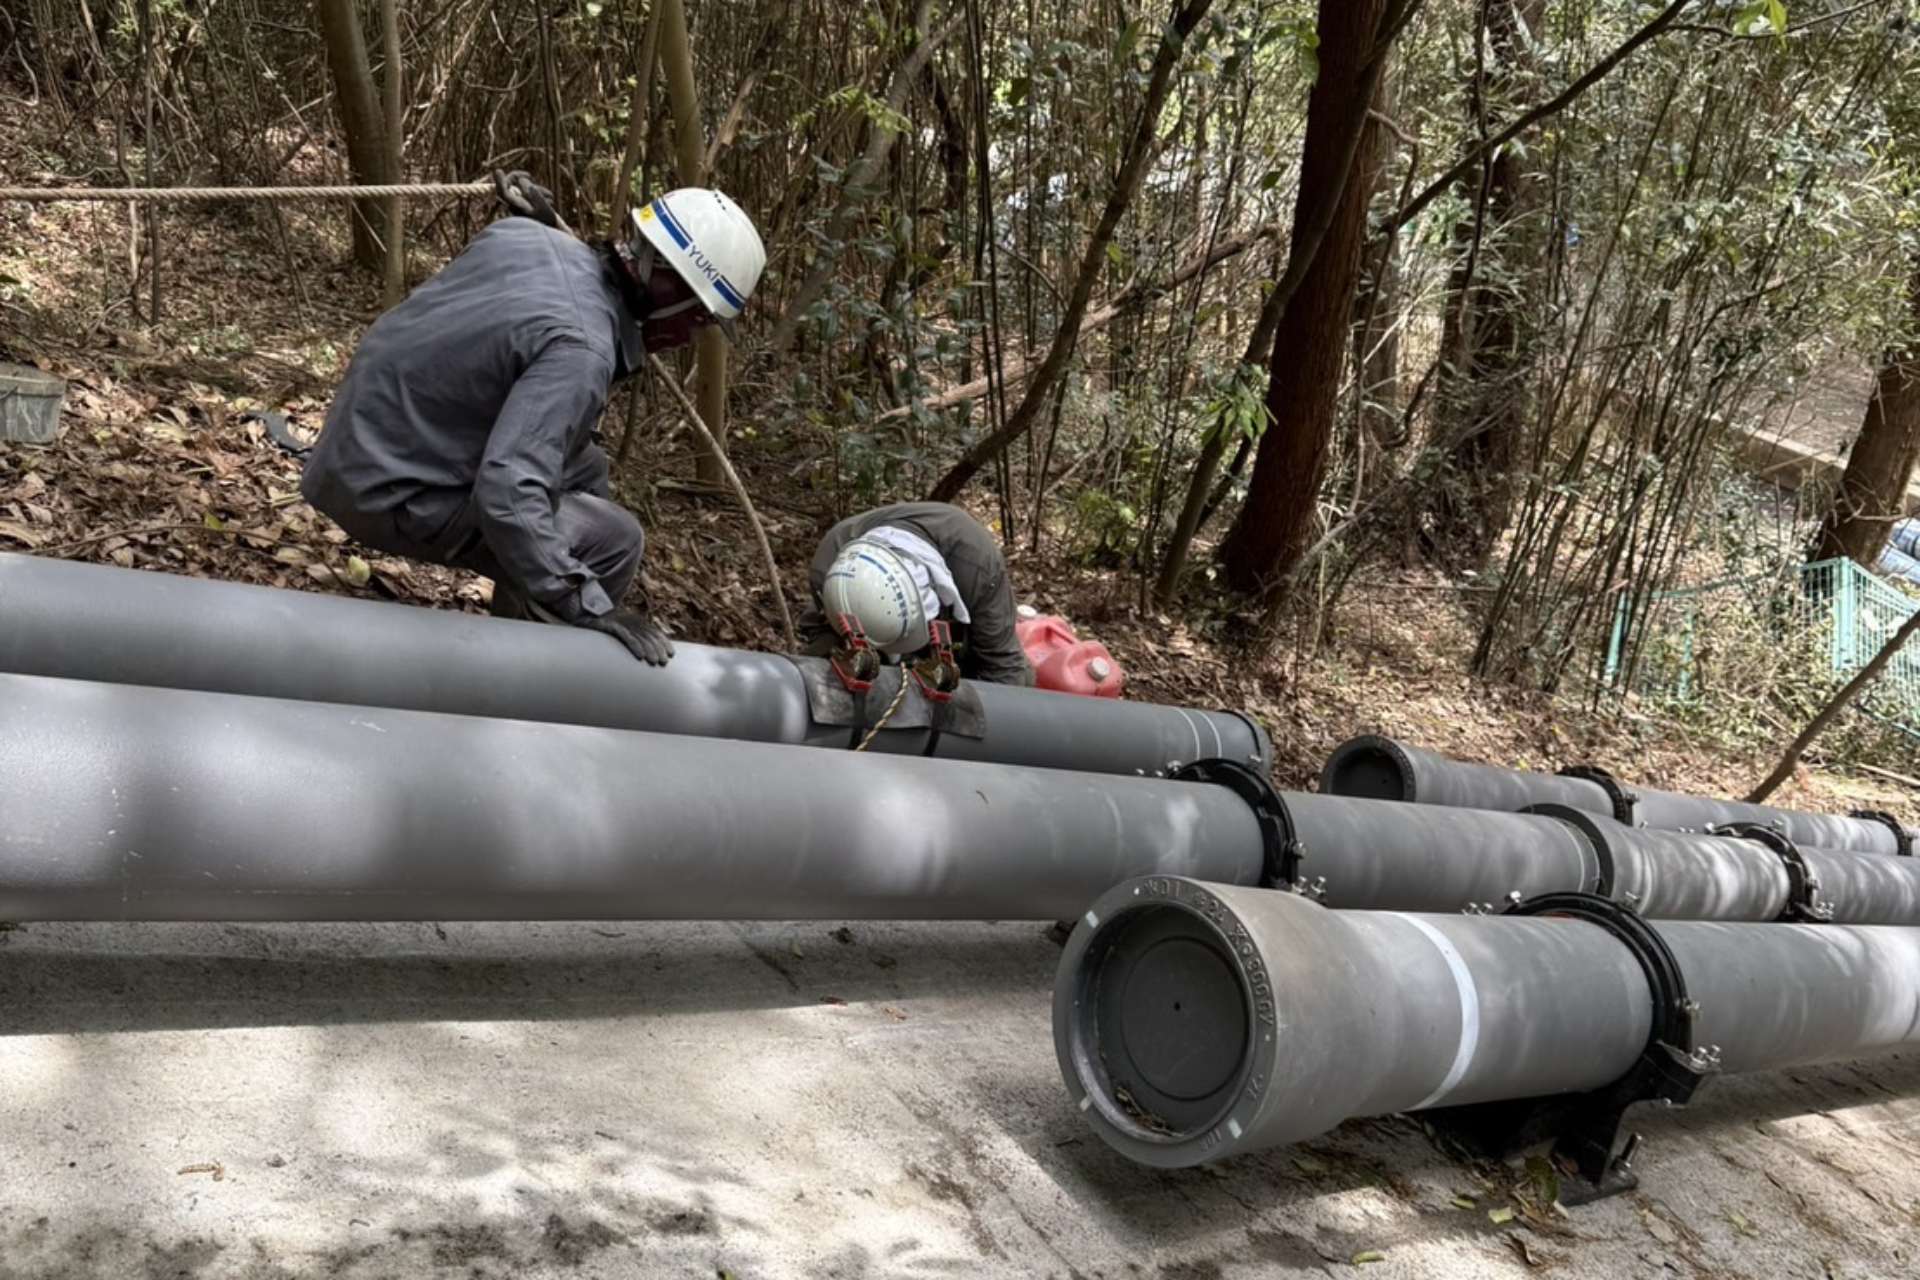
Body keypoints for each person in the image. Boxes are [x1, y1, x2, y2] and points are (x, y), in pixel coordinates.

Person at [300, 174, 766, 666]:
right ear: (668, 284)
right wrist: (587, 603)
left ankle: (525, 611)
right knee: (613, 540)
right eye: (699, 320)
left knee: (589, 470)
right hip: (381, 488)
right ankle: (525, 680)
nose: (690, 338)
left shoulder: (522, 236)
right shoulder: (582, 350)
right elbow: (508, 487)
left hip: (361, 442)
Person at [799, 501, 1034, 686]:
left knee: (1017, 675)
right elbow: (819, 632)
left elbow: (1003, 665)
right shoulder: (829, 568)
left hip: (959, 620)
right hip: (856, 630)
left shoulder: (977, 565)